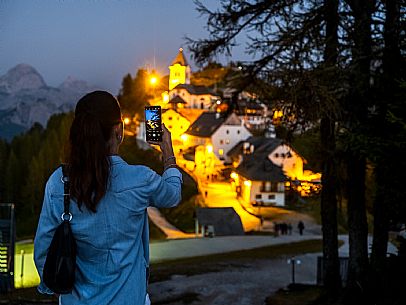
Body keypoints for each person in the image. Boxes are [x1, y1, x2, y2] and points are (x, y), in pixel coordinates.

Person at [34, 91, 182, 305]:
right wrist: (167, 150)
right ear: (118, 131)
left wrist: (58, 291)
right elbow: (172, 195)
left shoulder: (59, 182)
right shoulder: (140, 179)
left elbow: (43, 251)